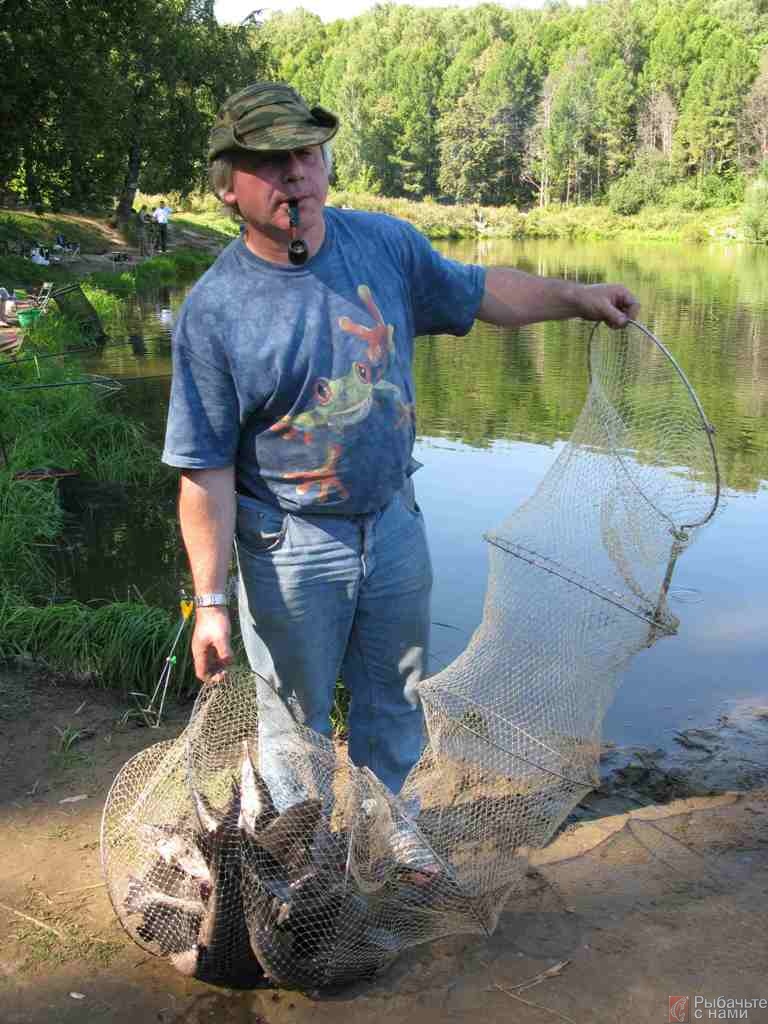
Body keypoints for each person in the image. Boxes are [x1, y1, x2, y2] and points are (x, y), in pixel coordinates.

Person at [162, 82, 639, 807]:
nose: (295, 172)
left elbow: (478, 292)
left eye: (307, 154)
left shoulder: (384, 244)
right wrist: (212, 602)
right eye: (270, 161)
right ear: (228, 187)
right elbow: (205, 471)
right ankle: (303, 853)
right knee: (295, 726)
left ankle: (393, 830)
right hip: (288, 543)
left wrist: (577, 298)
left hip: (393, 526)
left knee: (397, 699)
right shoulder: (214, 310)